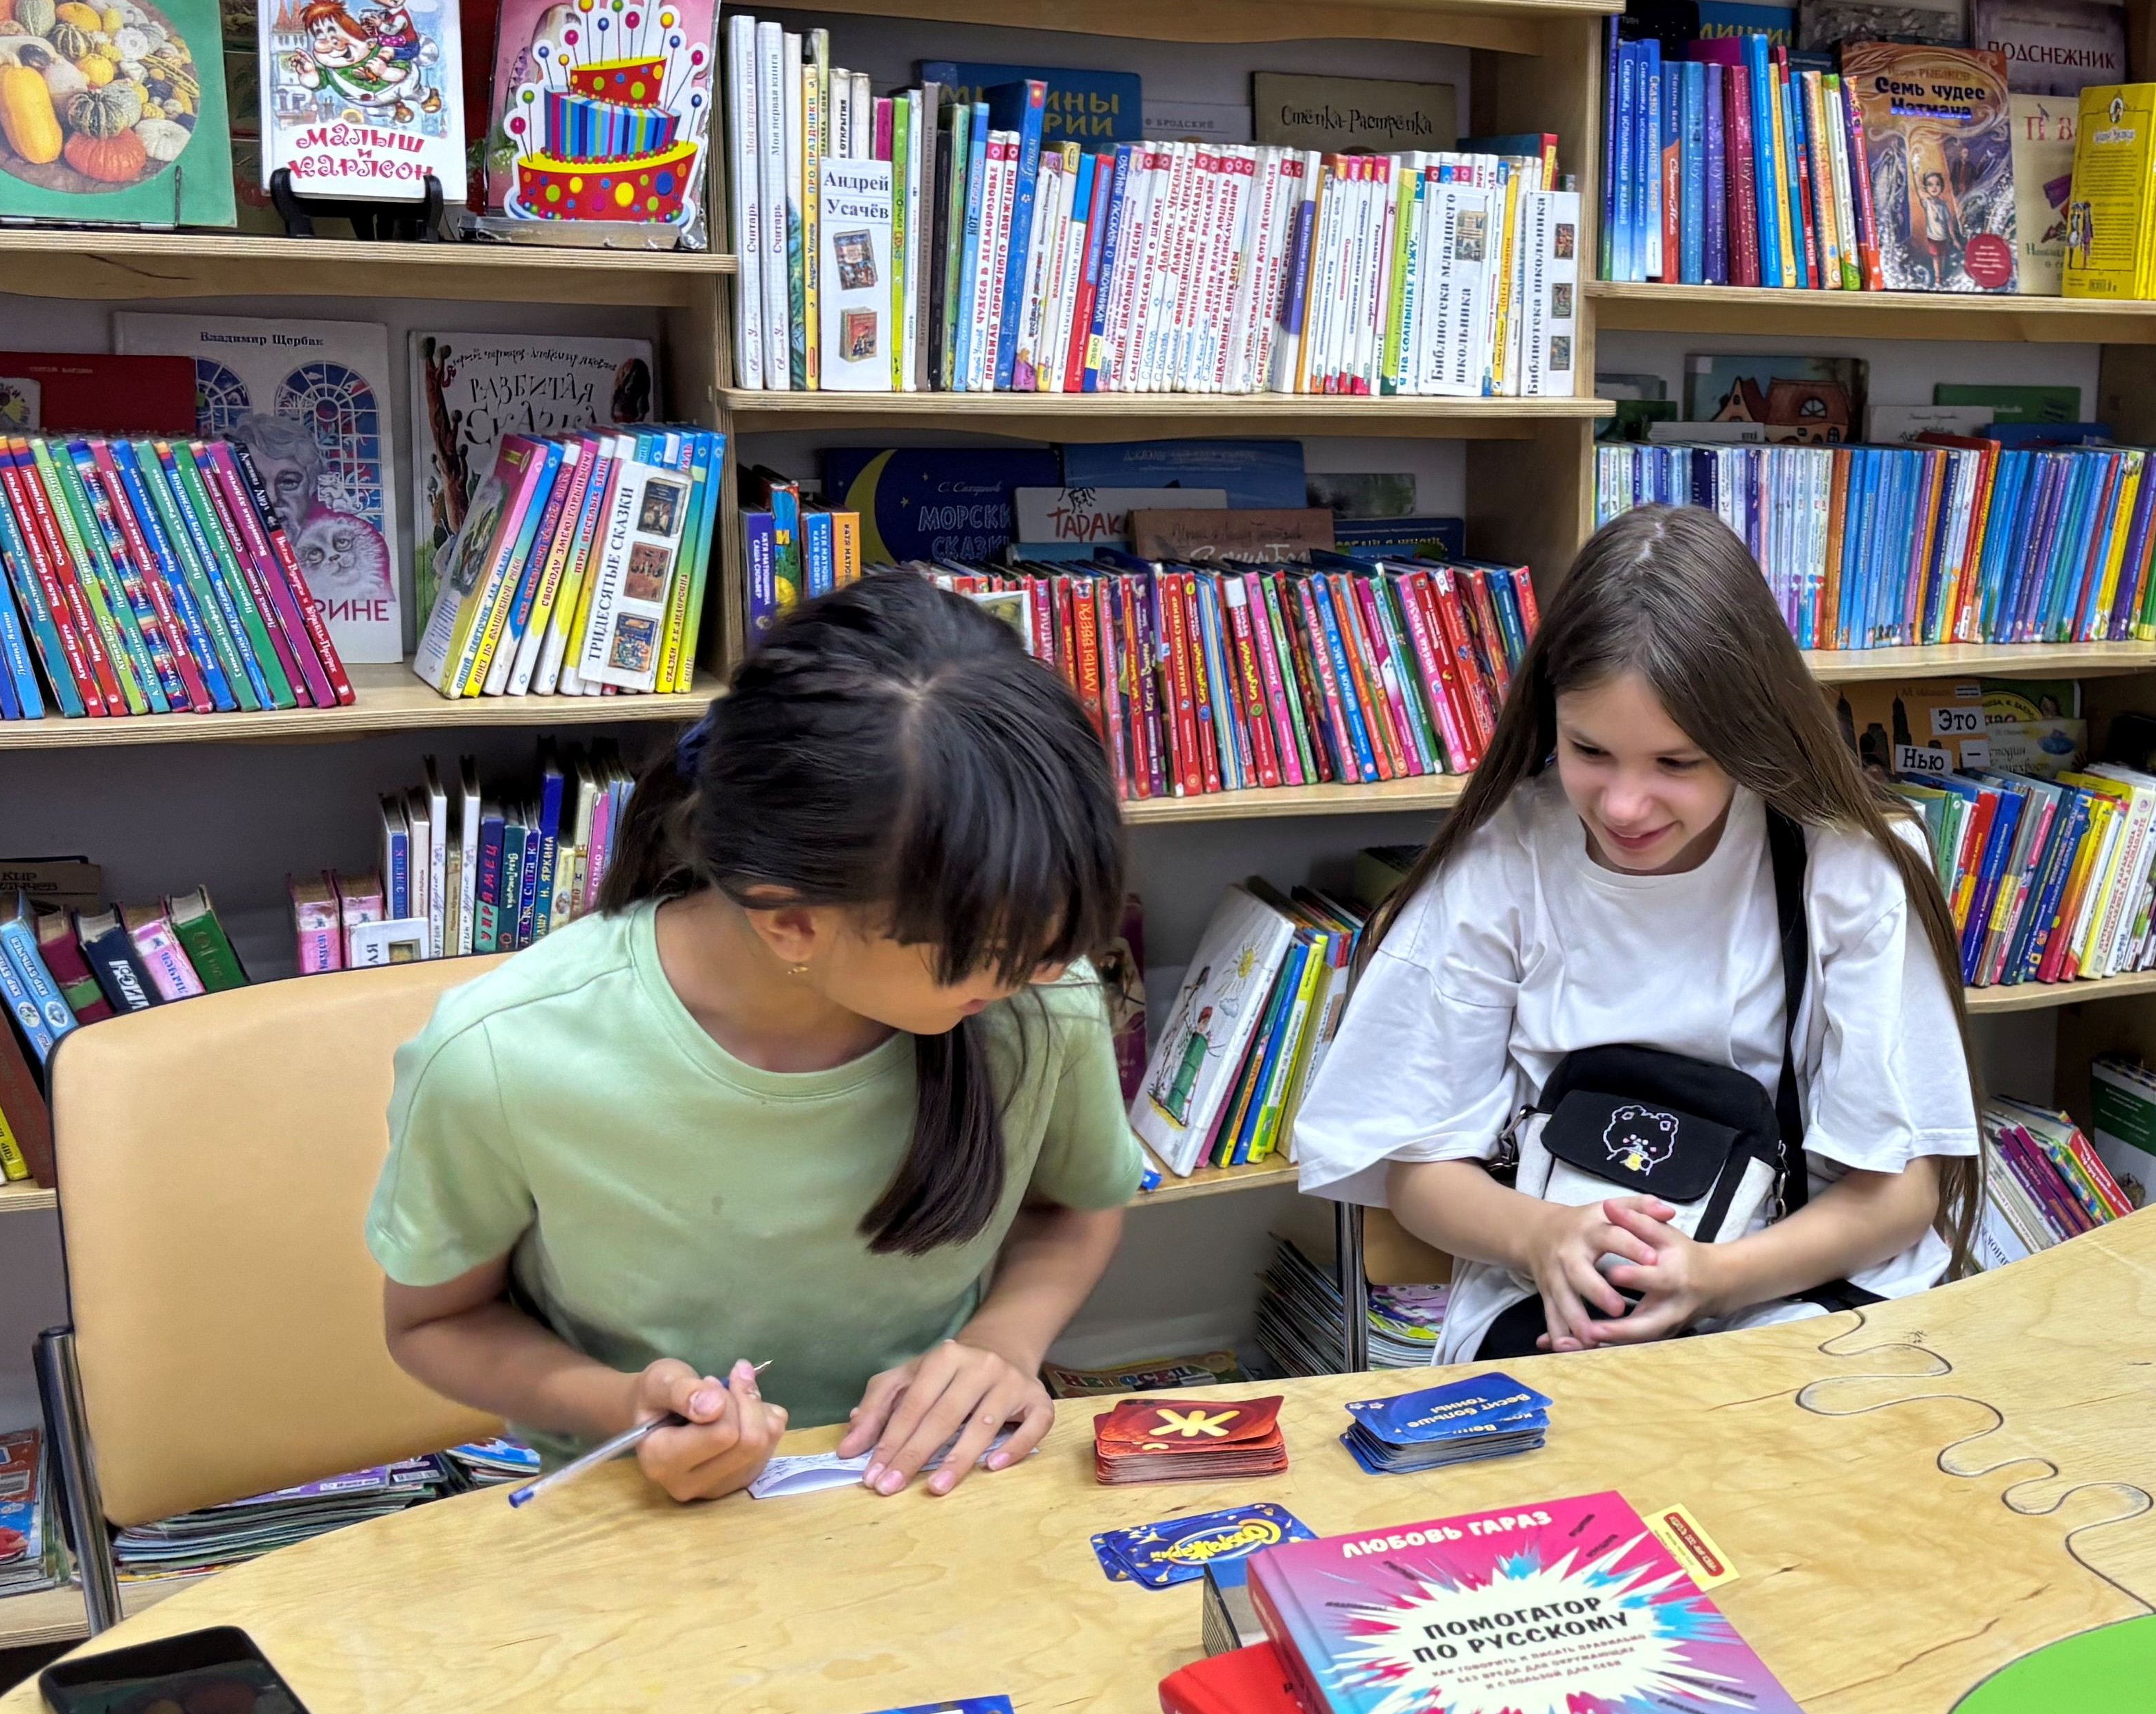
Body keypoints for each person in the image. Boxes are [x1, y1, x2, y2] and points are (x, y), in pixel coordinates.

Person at [370, 572, 1140, 1502]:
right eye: (991, 951)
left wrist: (1001, 1343)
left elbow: (1075, 1207)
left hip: (929, 1496)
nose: (1046, 971)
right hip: (634, 1515)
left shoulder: (1039, 1006)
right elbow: (434, 1323)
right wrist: (624, 1407)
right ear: (792, 923)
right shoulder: (502, 1052)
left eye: (1053, 941)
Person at [1296, 507, 1979, 1361]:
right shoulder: (1503, 857)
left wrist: (1715, 1278)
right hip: (1560, 1299)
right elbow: (1418, 1170)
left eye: (1676, 763)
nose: (1623, 806)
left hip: (1795, 1287)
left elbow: (1903, 1193)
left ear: (1751, 735)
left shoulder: (1848, 861)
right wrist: (1542, 1236)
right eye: (1589, 751)